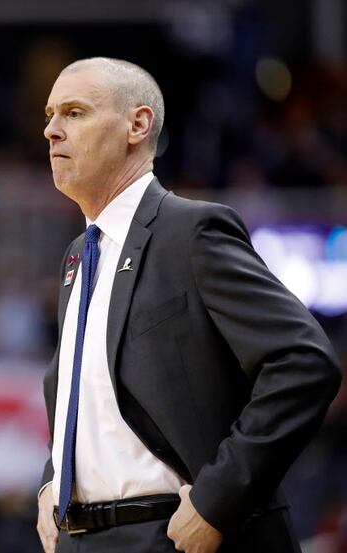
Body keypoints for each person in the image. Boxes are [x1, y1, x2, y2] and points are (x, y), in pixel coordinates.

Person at [35, 57, 341, 553]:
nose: (51, 130)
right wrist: (54, 482)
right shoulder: (79, 256)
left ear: (138, 124)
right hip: (83, 539)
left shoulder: (191, 231)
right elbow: (88, 398)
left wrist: (219, 499)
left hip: (175, 534)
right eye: (50, 115)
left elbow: (304, 362)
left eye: (74, 113)